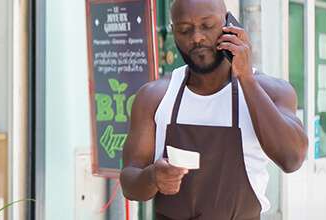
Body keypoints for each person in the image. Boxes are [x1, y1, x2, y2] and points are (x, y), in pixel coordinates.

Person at [119, 0, 308, 219]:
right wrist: (152, 177)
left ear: (229, 24)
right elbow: (129, 183)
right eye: (184, 30)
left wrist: (246, 78)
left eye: (207, 26)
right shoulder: (154, 97)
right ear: (173, 33)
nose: (197, 38)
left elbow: (292, 159)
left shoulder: (271, 91)